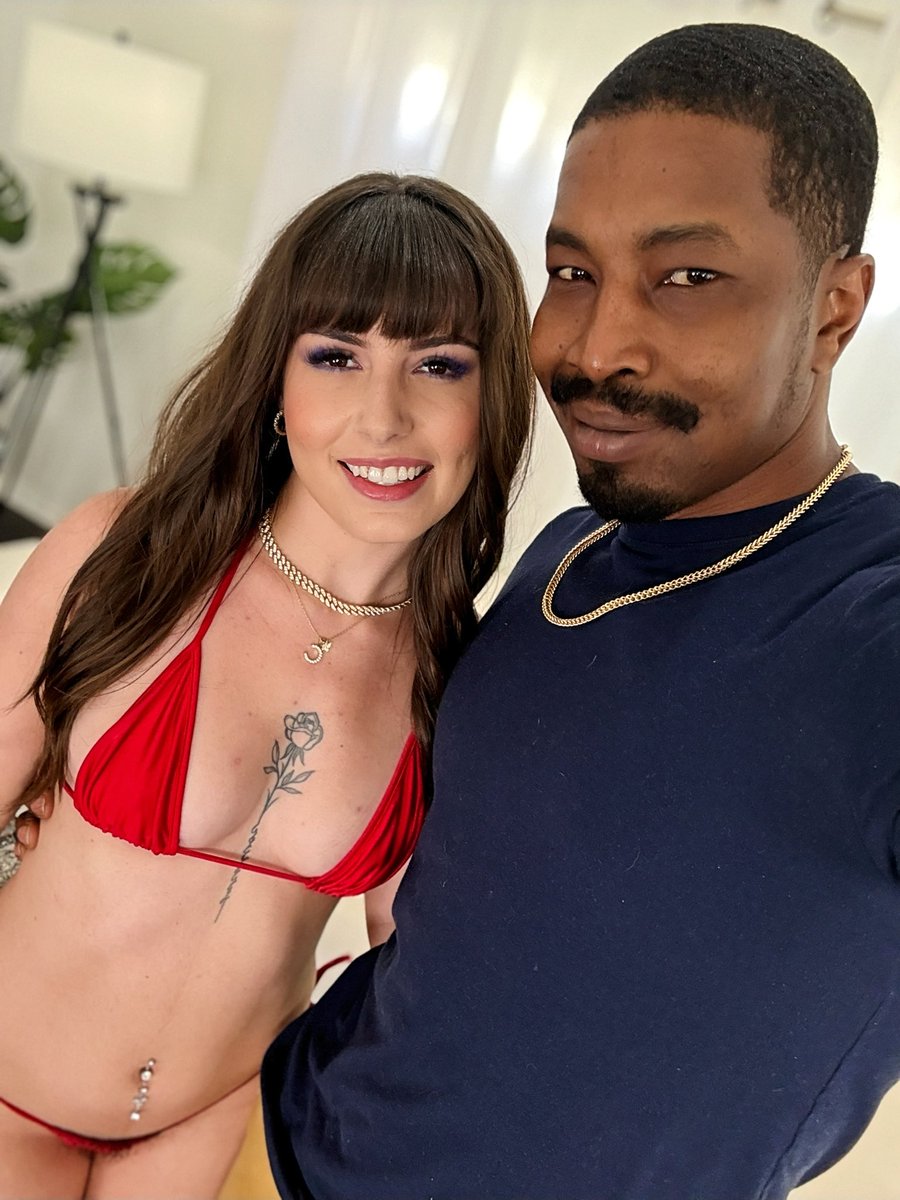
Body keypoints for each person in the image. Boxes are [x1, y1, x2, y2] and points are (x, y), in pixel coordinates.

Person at [260, 23, 900, 1200]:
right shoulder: (571, 548)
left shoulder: (868, 616)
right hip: (277, 1137)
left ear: (834, 307)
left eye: (687, 278)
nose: (597, 348)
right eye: (571, 273)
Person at [0, 172, 533, 1197]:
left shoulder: (458, 679)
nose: (383, 416)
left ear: (489, 401)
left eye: (439, 364)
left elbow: (414, 980)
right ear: (278, 387)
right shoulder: (126, 555)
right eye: (336, 356)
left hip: (215, 1131)